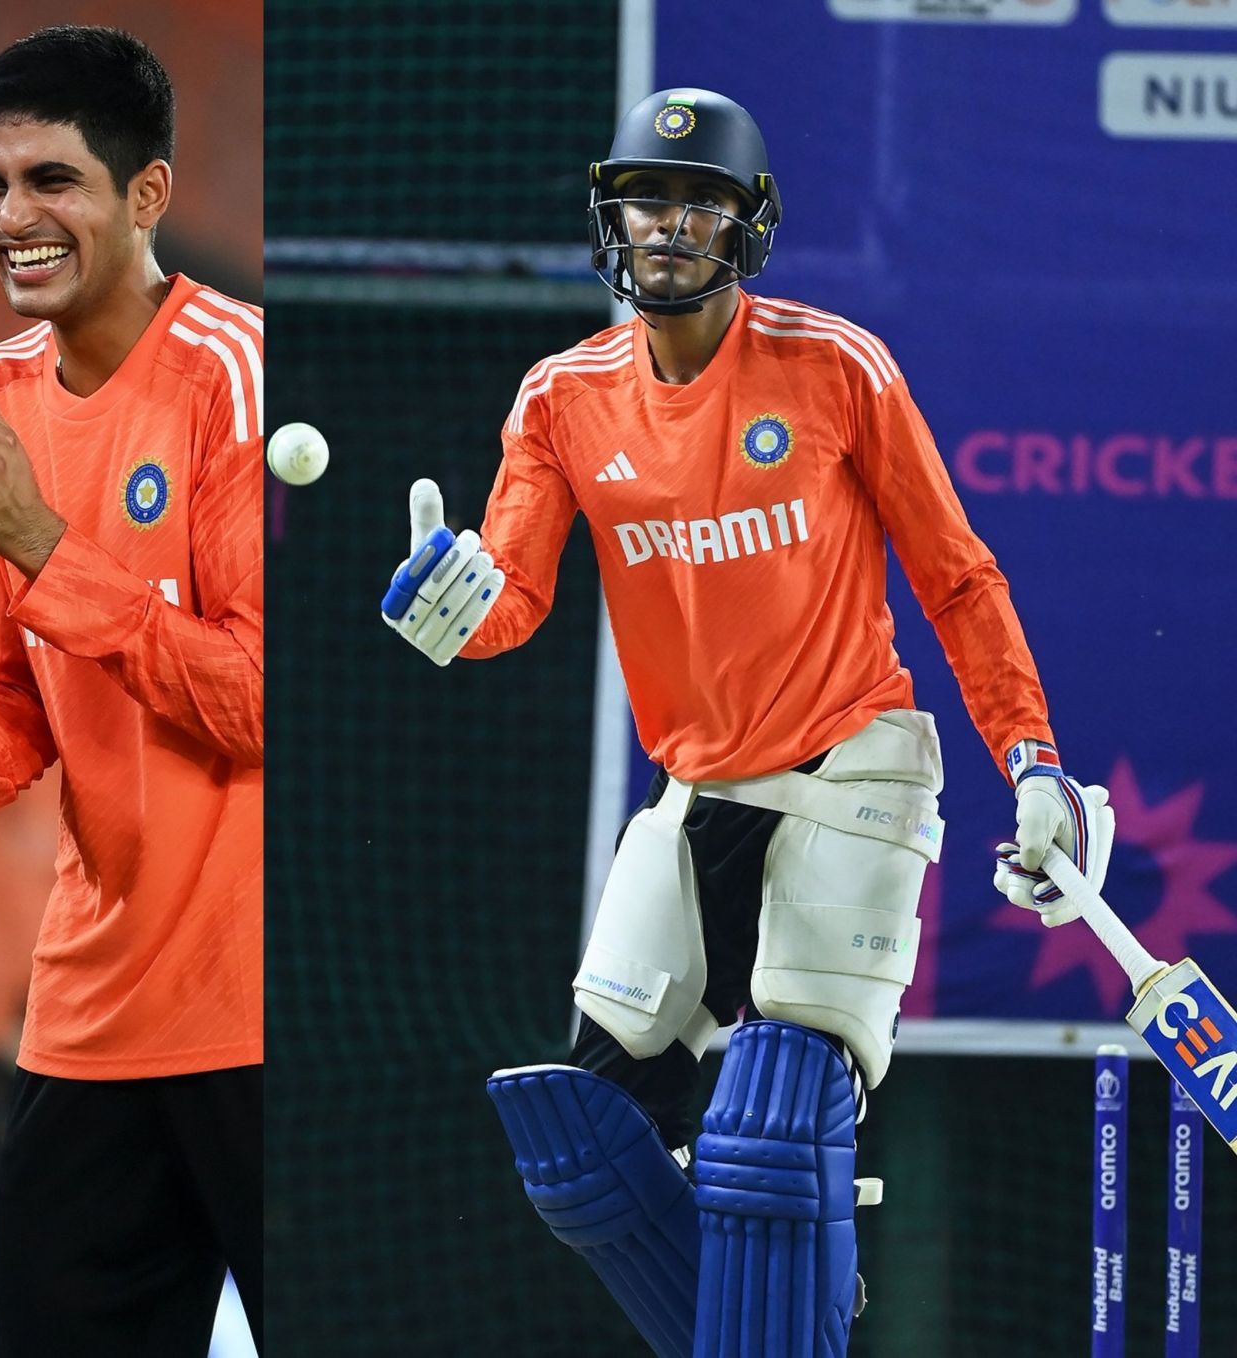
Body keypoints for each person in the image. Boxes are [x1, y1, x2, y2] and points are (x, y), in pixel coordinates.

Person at [381, 88, 1112, 1356]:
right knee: (581, 1154)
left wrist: (1033, 759)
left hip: (853, 770)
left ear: (747, 227)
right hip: (695, 792)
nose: (668, 225)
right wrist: (450, 608)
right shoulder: (560, 399)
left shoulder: (835, 368)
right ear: (613, 219)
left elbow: (958, 577)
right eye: (647, 201)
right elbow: (510, 600)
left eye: (700, 203)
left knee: (769, 1132)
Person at [0, 26, 262, 1358]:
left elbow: (266, 700)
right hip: (92, 1017)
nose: (11, 216)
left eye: (53, 180)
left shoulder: (236, 374)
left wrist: (48, 545)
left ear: (145, 195)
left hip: (262, 1012)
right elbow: (0, 685)